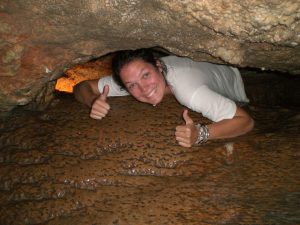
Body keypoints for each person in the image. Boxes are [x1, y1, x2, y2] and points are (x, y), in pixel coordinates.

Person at [73, 48, 254, 148]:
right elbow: (82, 87)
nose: (143, 89)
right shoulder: (132, 76)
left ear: (158, 66)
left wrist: (201, 133)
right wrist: (93, 101)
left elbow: (245, 121)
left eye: (145, 75)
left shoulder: (190, 92)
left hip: (234, 81)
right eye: (132, 85)